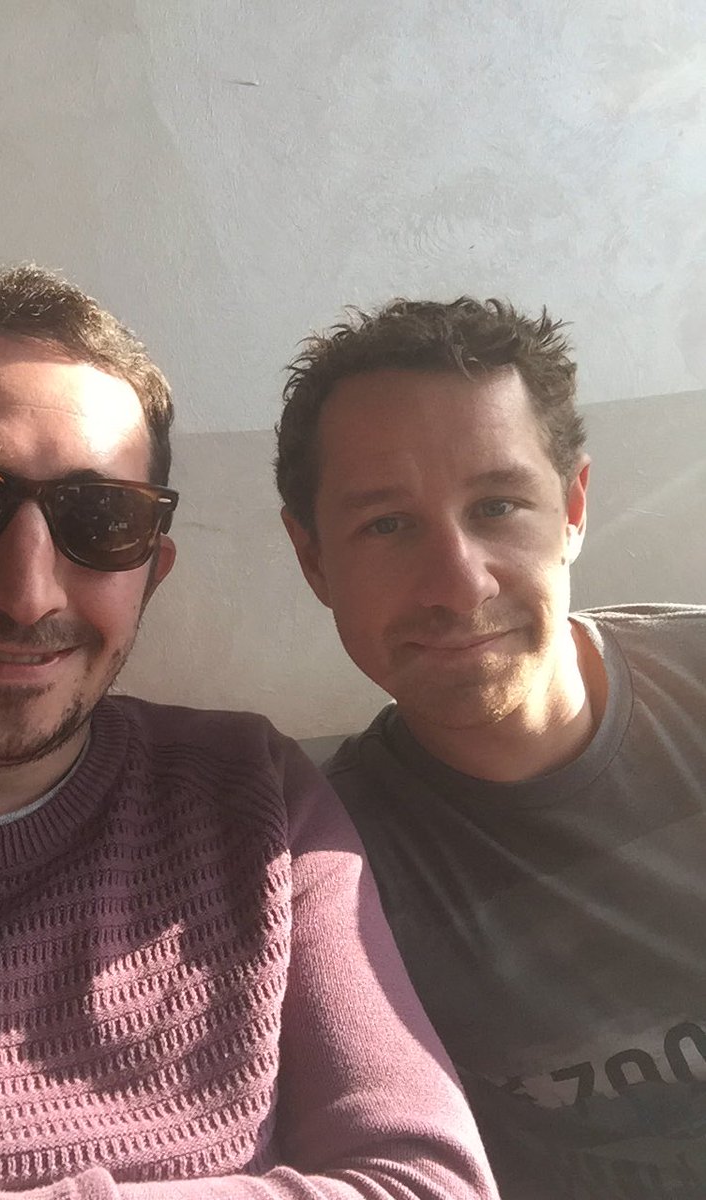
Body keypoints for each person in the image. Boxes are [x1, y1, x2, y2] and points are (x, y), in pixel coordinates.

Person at [0, 267, 498, 1200]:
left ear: (152, 570)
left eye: (101, 521)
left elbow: (431, 1183)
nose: (27, 595)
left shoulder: (250, 793)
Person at [275, 296, 706, 1200]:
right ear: (313, 562)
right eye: (386, 525)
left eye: (498, 505)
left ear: (573, 508)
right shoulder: (327, 866)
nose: (457, 583)